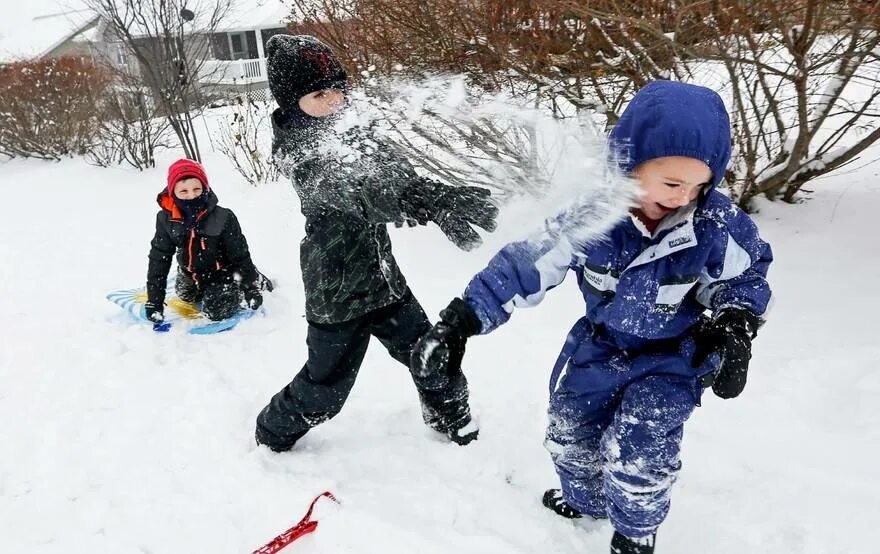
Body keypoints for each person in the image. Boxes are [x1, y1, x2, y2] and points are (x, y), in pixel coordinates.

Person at [411, 80, 773, 554]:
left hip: (672, 358)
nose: (685, 196)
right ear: (631, 165)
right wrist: (461, 321)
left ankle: (635, 532)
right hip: (599, 347)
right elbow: (526, 266)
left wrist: (734, 328)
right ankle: (586, 500)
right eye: (671, 183)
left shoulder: (714, 227)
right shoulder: (594, 216)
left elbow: (745, 279)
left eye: (699, 185)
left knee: (642, 450)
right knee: (568, 431)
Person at [254, 34, 499, 452]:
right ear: (291, 102)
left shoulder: (354, 130)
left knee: (431, 355)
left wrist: (438, 199)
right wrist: (423, 201)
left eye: (338, 88)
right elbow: (361, 191)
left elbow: (395, 179)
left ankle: (451, 419)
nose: (334, 100)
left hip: (384, 281)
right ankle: (271, 433)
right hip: (337, 293)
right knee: (325, 390)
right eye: (318, 93)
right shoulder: (300, 154)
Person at [146, 158, 271, 323]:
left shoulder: (224, 217)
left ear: (205, 188)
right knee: (185, 296)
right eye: (183, 191)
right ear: (172, 193)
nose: (191, 196)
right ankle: (199, 286)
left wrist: (250, 289)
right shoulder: (165, 219)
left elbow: (239, 254)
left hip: (222, 273)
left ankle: (254, 280)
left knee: (217, 311)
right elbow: (159, 258)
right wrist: (154, 300)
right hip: (190, 272)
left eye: (197, 189)